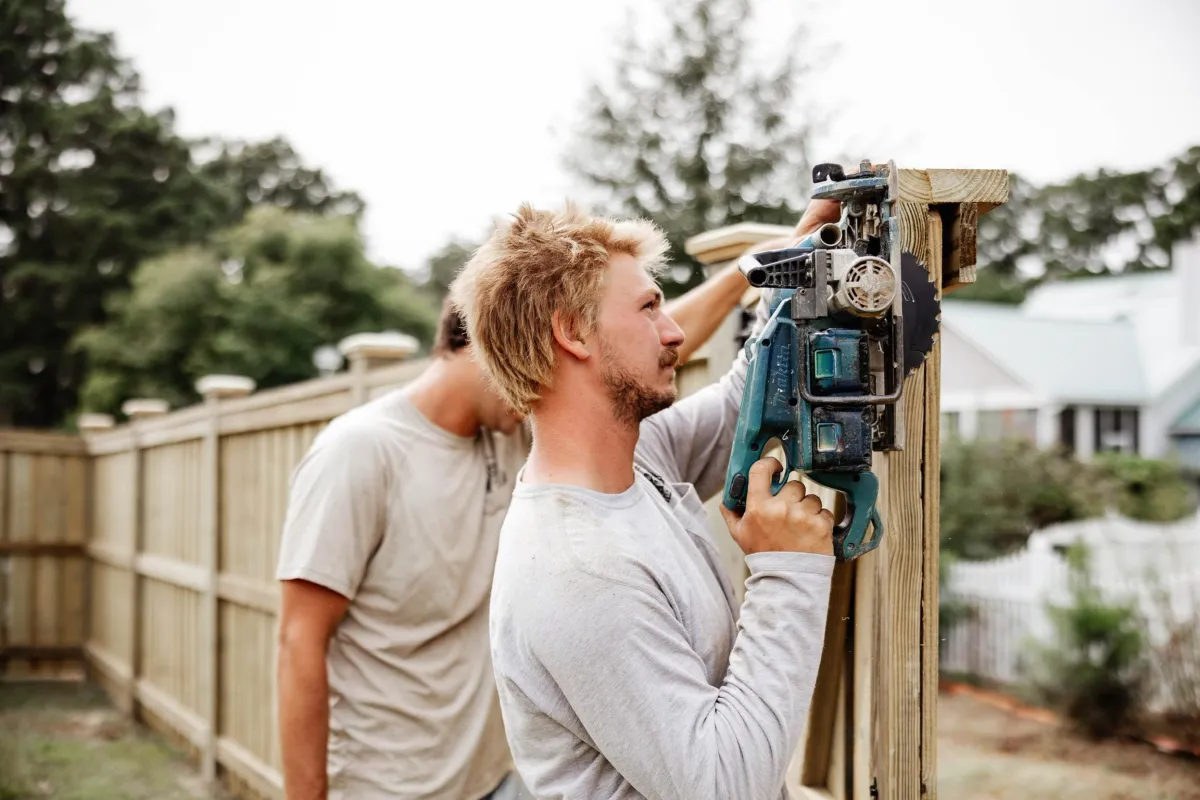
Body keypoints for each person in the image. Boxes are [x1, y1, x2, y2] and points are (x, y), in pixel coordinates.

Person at [273, 225, 800, 800]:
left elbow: (631, 358)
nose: (527, 379)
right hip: (393, 785)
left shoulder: (519, 441)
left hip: (495, 778)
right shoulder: (360, 452)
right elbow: (299, 642)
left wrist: (767, 268)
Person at [450, 198, 841, 800]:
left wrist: (788, 283)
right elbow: (723, 787)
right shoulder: (580, 571)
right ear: (572, 332)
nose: (676, 331)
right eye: (649, 307)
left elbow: (747, 401)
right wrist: (789, 570)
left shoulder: (635, 458)